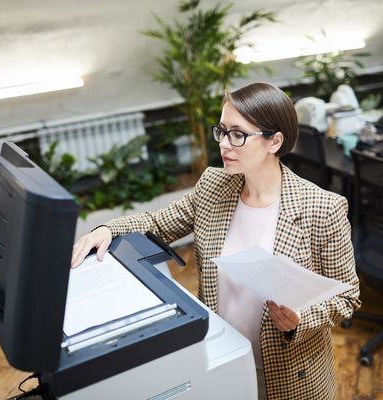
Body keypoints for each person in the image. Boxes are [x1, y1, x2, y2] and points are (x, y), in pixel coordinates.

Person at [71, 82, 361, 399]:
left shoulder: (322, 208)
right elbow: (157, 223)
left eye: (238, 134)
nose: (224, 144)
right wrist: (108, 230)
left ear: (274, 141)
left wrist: (300, 319)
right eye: (221, 131)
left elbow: (346, 297)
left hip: (290, 373)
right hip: (222, 358)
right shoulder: (214, 184)